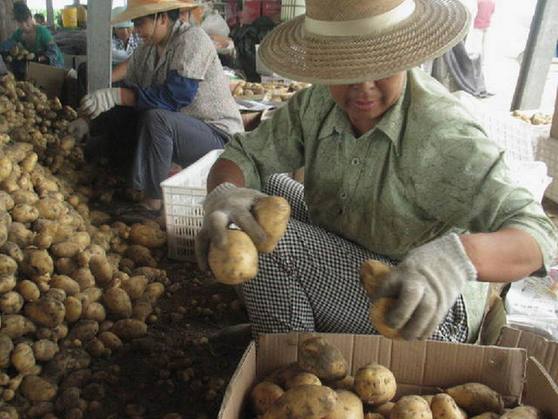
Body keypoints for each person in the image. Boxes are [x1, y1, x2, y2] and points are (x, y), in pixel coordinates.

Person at [195, 0, 557, 342]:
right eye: (346, 70)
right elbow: (245, 155)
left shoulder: (442, 134)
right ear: (325, 65)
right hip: (355, 251)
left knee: (272, 243)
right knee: (259, 197)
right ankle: (305, 318)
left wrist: (455, 258)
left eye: (380, 67)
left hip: (417, 309)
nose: (363, 88)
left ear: (404, 55)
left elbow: (538, 236)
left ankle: (289, 355)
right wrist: (223, 195)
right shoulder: (318, 103)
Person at [70, 0, 243, 215]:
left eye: (140, 23)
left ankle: (152, 204)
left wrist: (119, 96)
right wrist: (88, 118)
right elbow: (128, 89)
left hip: (215, 134)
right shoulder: (147, 51)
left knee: (156, 118)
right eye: (134, 23)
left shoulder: (192, 39)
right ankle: (119, 180)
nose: (136, 29)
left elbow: (176, 97)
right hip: (178, 129)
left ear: (161, 19)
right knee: (120, 112)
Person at [0, 2, 63, 69]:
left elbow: (53, 52)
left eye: (26, 20)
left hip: (54, 64)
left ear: (30, 17)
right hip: (38, 64)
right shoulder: (18, 34)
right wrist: (4, 52)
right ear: (17, 23)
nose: (24, 25)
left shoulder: (42, 32)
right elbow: (6, 44)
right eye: (20, 23)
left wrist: (38, 58)